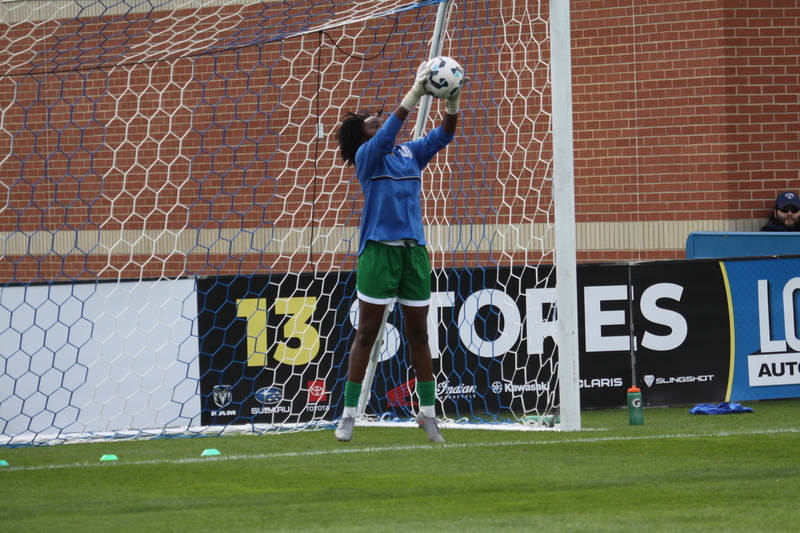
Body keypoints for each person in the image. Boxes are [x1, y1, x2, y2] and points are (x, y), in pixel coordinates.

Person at [333, 66, 464, 443]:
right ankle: (348, 414)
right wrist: (414, 93)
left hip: (414, 254)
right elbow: (389, 132)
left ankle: (427, 415)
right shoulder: (367, 158)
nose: (381, 128)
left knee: (419, 333)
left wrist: (451, 102)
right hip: (378, 253)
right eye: (372, 125)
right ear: (364, 139)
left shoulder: (408, 153)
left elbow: (444, 136)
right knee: (367, 333)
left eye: (379, 124)